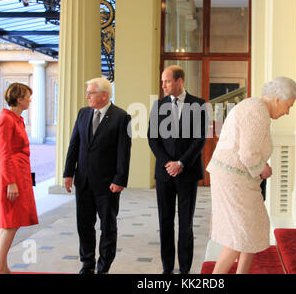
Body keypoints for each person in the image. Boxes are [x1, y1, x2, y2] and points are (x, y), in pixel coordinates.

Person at [207, 76, 296, 274]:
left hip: (237, 178)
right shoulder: (257, 111)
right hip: (233, 180)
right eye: (288, 105)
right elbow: (248, 154)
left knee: (249, 232)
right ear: (277, 98)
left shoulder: (256, 107)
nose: (287, 111)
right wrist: (263, 169)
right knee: (238, 237)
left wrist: (259, 165)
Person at [63, 78, 132, 274]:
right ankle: (87, 264)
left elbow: (124, 152)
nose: (87, 96)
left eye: (90, 93)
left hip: (107, 184)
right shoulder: (83, 113)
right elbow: (74, 144)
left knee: (107, 227)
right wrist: (68, 173)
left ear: (104, 95)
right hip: (83, 180)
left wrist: (120, 179)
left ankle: (103, 267)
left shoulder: (121, 117)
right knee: (84, 225)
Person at [147, 65, 207, 274]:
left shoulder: (198, 104)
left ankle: (184, 270)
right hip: (164, 175)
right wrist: (168, 164)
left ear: (179, 81)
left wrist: (181, 163)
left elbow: (200, 140)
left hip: (187, 173)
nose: (163, 85)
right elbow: (153, 139)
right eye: (162, 81)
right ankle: (166, 269)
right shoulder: (158, 105)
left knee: (185, 224)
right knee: (165, 222)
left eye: (167, 81)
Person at [0, 83, 38, 274]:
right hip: (11, 176)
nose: (30, 99)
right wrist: (11, 182)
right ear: (19, 99)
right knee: (11, 222)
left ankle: (1, 266)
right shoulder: (6, 120)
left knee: (12, 222)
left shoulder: (16, 119)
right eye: (27, 96)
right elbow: (4, 154)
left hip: (20, 174)